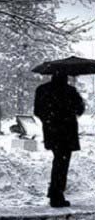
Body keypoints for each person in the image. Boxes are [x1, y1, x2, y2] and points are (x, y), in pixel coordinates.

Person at [34, 73, 84, 208]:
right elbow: (80, 109)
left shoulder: (42, 90)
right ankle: (57, 195)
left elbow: (37, 111)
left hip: (51, 132)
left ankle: (54, 192)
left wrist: (49, 120)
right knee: (62, 163)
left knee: (58, 160)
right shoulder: (70, 91)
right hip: (67, 132)